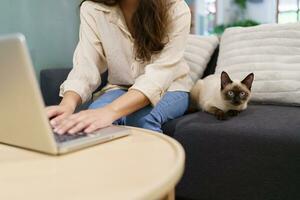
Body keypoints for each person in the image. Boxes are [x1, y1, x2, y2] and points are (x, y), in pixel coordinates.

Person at [46, 0, 193, 135]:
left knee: (141, 119)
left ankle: (153, 163)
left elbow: (159, 76)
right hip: (120, 86)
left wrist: (110, 111)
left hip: (171, 87)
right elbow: (86, 65)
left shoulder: (176, 9)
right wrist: (67, 105)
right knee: (93, 119)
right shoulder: (92, 9)